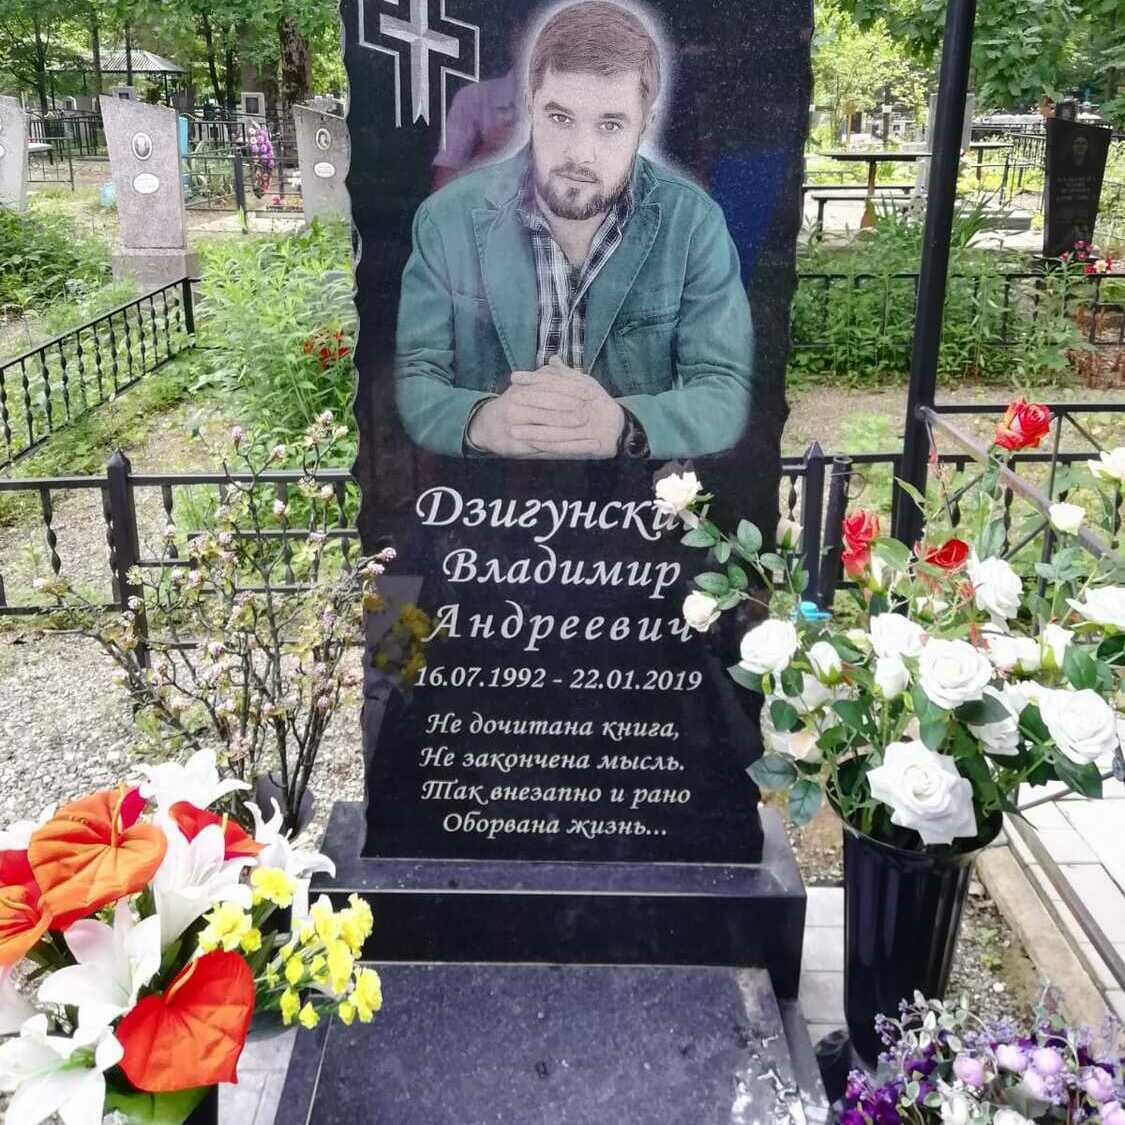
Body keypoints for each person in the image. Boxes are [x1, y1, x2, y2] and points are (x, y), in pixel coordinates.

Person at [395, 0, 754, 460]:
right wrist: (484, 422)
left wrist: (623, 426)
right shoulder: (447, 220)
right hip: (487, 492)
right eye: (560, 118)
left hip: (630, 494)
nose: (580, 154)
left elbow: (725, 389)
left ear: (645, 124)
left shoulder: (693, 224)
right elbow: (415, 375)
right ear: (531, 103)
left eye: (610, 125)